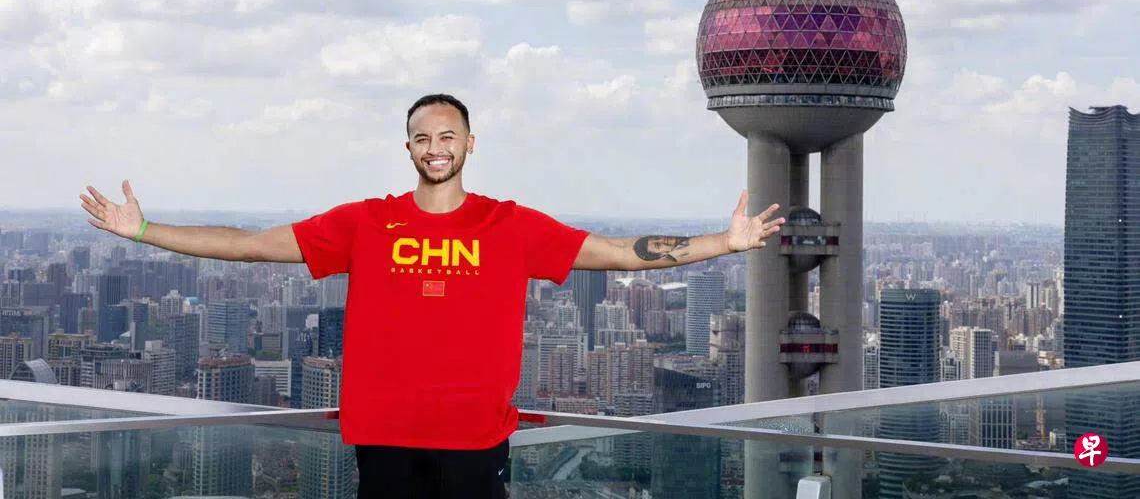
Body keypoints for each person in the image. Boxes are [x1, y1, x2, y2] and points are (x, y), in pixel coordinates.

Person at [80, 93, 784, 498]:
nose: (435, 146)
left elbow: (619, 254)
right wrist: (142, 230)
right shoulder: (365, 222)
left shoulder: (510, 225)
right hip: (383, 437)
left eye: (448, 135)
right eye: (422, 137)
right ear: (408, 148)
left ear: (471, 144)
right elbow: (253, 244)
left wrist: (722, 243)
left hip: (474, 440)